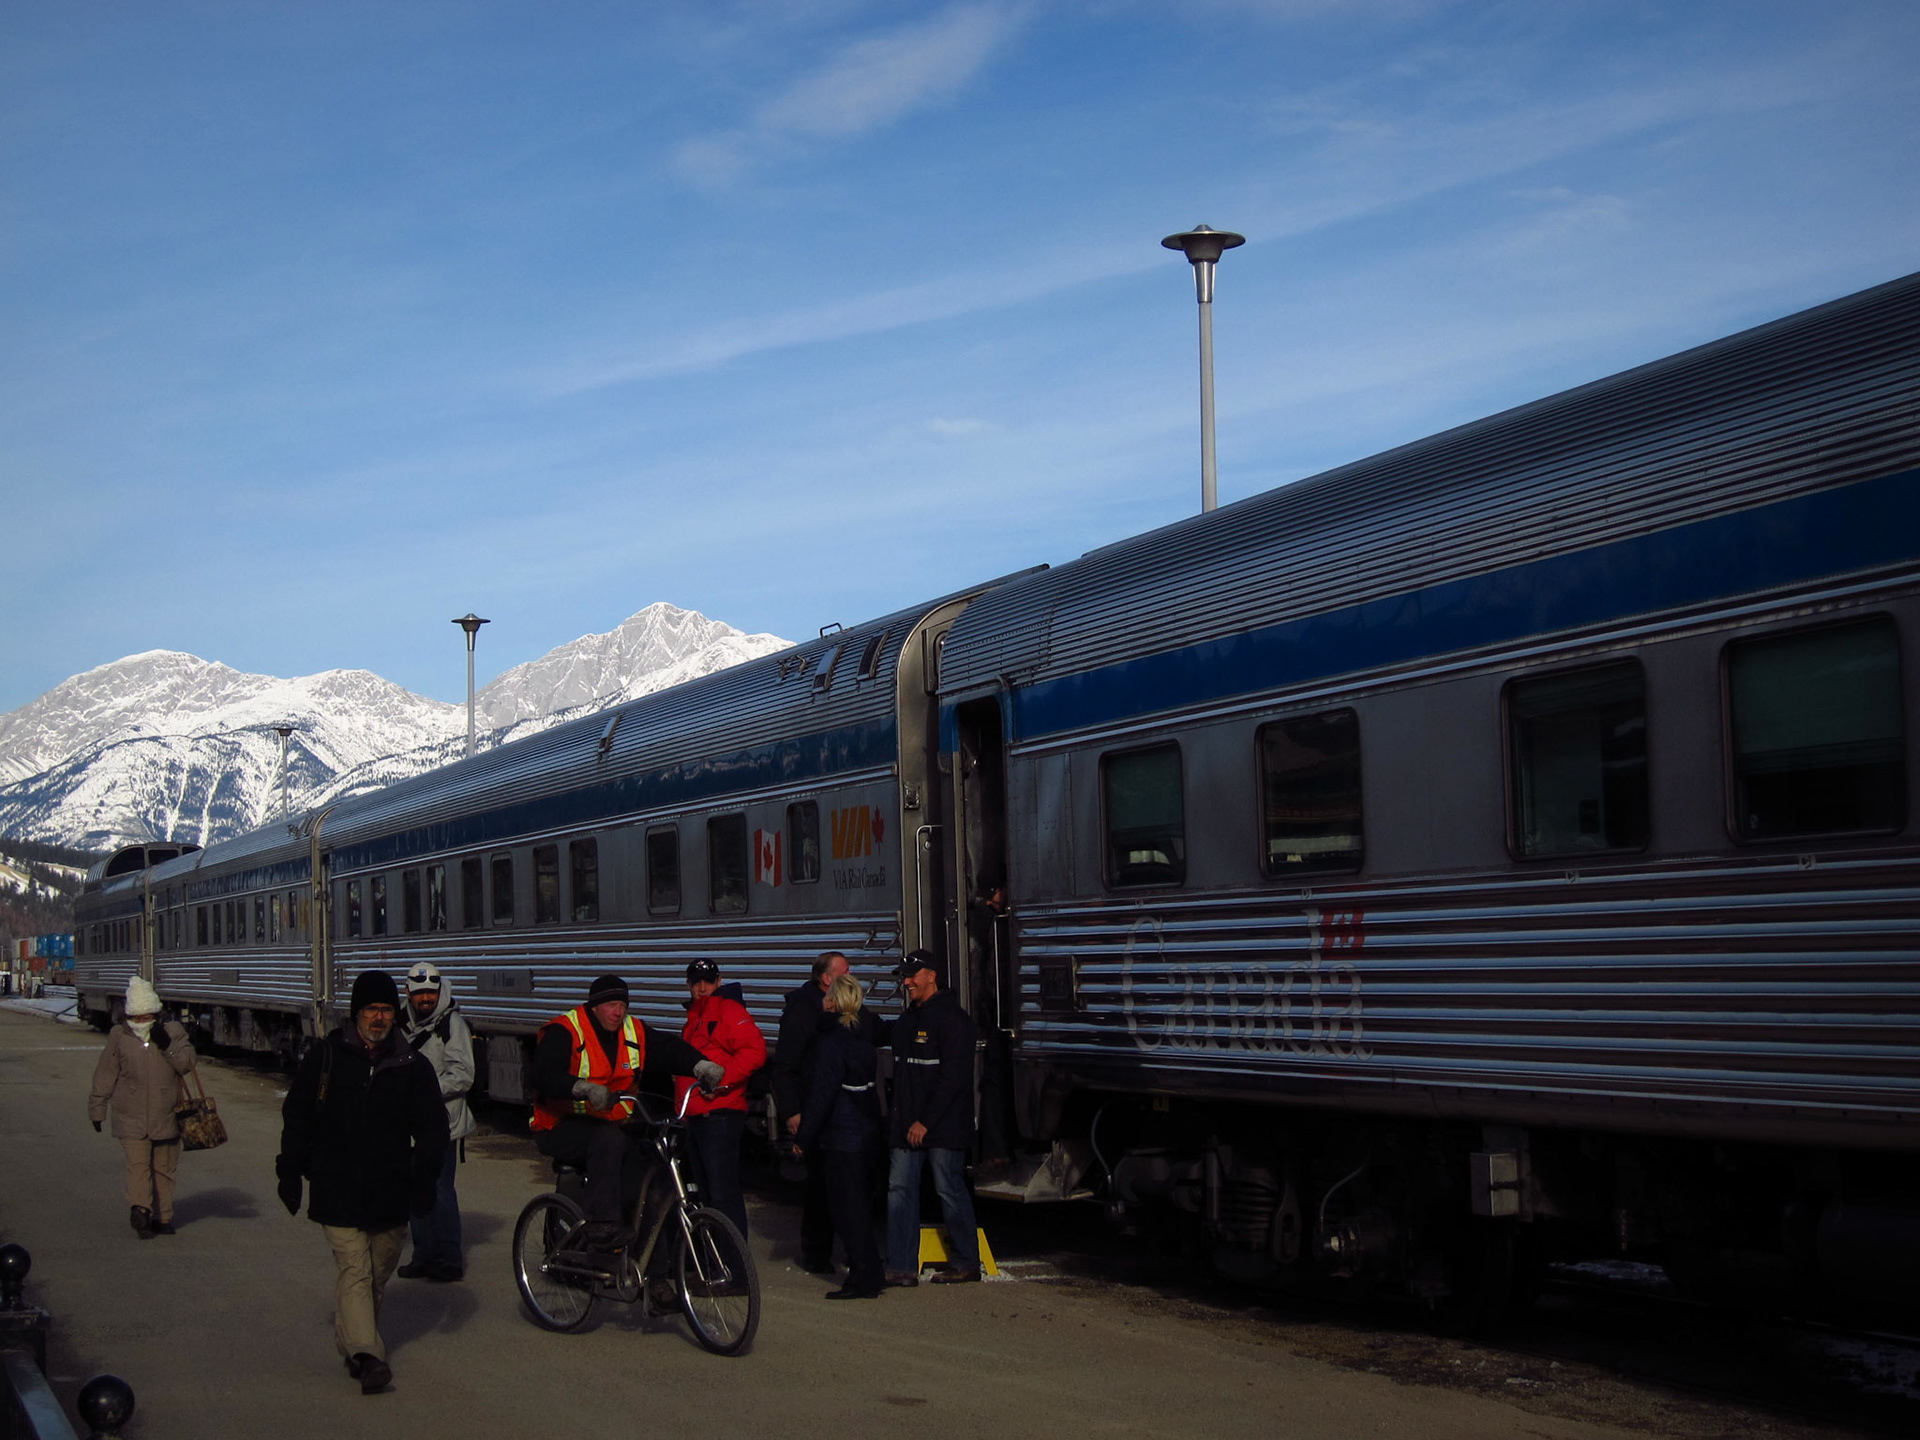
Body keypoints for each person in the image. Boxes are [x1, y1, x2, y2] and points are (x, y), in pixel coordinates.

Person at [276, 970, 449, 1395]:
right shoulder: (326, 1058)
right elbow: (298, 1116)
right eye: (372, 1009)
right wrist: (289, 1170)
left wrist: (425, 1180)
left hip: (390, 1189)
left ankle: (353, 1343)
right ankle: (370, 1356)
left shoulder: (412, 1065)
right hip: (337, 1186)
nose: (379, 1018)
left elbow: (433, 1129)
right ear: (356, 1013)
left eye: (387, 1009)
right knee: (355, 1270)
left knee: (376, 1273)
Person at [530, 974, 723, 1249]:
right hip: (559, 1125)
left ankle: (651, 1274)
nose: (618, 1012)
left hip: (608, 1124)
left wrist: (699, 1065)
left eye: (623, 1005)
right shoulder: (566, 1031)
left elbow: (666, 1048)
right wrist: (580, 1087)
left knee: (647, 1174)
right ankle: (602, 1224)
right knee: (610, 1140)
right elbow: (541, 1074)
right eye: (611, 1005)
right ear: (594, 1006)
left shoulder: (632, 1030)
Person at [885, 950, 982, 1286]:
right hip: (907, 1125)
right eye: (904, 976)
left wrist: (925, 1122)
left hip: (941, 1125)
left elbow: (952, 1079)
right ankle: (900, 1266)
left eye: (913, 975)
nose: (907, 982)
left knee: (949, 1190)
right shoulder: (909, 1019)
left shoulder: (953, 1020)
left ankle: (967, 1262)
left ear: (932, 975)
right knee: (899, 1190)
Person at [795, 974, 886, 1299]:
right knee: (860, 1206)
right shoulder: (863, 1037)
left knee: (847, 1209)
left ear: (832, 1002)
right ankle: (871, 1270)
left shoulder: (830, 1041)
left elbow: (822, 1095)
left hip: (841, 1136)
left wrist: (803, 1137)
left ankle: (863, 1278)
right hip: (864, 1133)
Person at [88, 976, 196, 1239]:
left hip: (167, 1114)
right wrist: (97, 1108)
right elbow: (106, 1073)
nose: (140, 1022)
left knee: (164, 1167)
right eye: (135, 1017)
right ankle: (141, 1210)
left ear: (156, 1012)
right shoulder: (119, 1036)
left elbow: (187, 1064)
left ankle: (164, 1217)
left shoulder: (173, 1033)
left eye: (145, 1016)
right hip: (130, 1116)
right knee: (138, 1166)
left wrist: (167, 1046)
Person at [673, 959, 767, 1240]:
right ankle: (714, 1264)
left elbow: (755, 1051)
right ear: (688, 985)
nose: (703, 988)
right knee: (705, 1195)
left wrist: (721, 1082)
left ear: (719, 982)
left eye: (709, 981)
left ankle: (735, 1272)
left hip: (720, 1115)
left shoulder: (727, 1011)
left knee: (722, 1195)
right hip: (698, 1117)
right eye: (697, 982)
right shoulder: (694, 1018)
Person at [770, 950, 849, 1272]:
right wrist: (792, 1111)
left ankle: (832, 1251)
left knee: (831, 1184)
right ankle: (816, 1255)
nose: (851, 975)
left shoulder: (837, 1005)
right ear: (827, 979)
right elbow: (784, 1067)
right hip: (811, 1110)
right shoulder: (802, 1012)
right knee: (819, 1186)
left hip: (831, 1110)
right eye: (845, 971)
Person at [397, 961, 474, 1281]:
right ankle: (423, 1255)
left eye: (431, 992)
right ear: (409, 993)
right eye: (420, 993)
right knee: (415, 1188)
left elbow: (464, 1074)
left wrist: (425, 1091)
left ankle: (449, 1258)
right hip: (409, 1124)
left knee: (441, 1189)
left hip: (443, 1123)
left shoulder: (453, 1024)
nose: (426, 998)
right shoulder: (399, 1023)